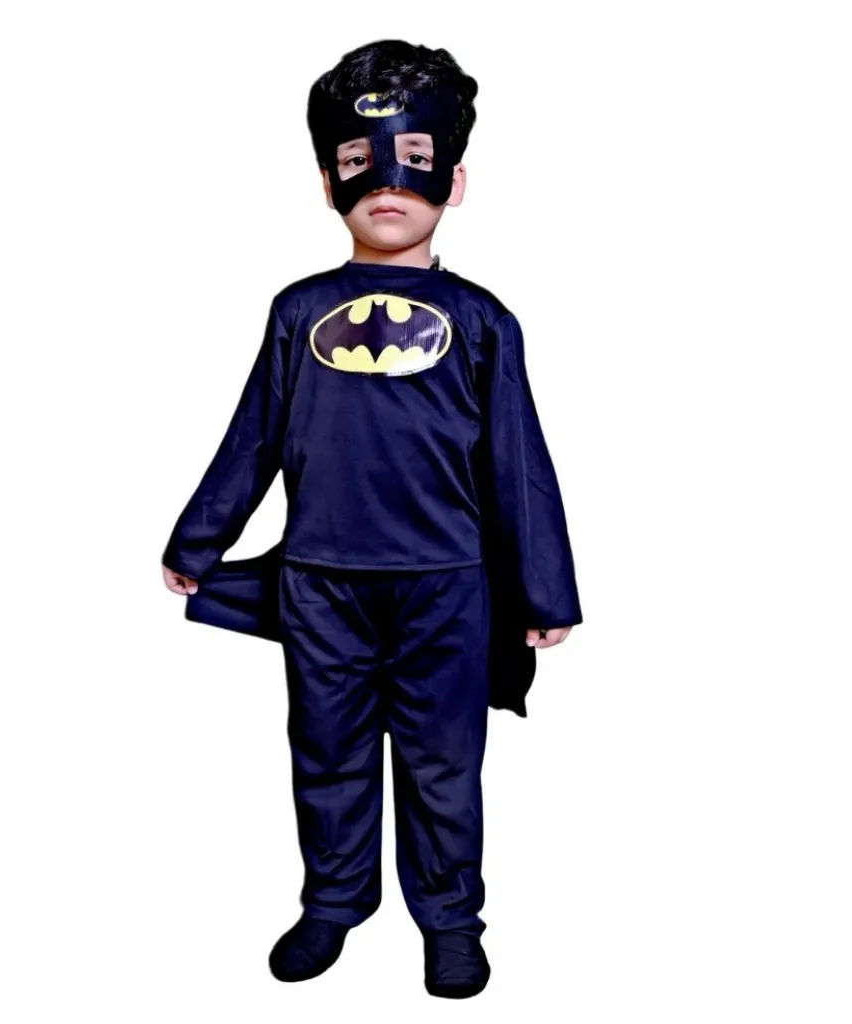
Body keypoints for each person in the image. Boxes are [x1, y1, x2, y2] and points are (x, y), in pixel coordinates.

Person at [160, 39, 583, 999]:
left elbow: (518, 462)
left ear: (454, 181)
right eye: (359, 161)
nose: (387, 182)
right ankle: (333, 902)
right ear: (328, 182)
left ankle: (450, 919)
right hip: (324, 583)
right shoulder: (298, 310)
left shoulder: (481, 319)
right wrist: (199, 539)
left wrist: (544, 590)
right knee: (327, 752)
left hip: (445, 584)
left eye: (414, 160)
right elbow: (255, 436)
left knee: (443, 764)